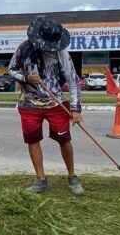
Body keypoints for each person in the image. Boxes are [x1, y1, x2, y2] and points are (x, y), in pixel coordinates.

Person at [8, 17, 84, 196]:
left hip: (55, 103)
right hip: (29, 103)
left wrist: (75, 109)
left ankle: (72, 176)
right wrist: (27, 78)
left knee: (64, 139)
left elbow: (73, 81)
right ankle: (41, 179)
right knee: (32, 139)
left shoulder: (61, 53)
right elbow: (11, 69)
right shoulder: (24, 48)